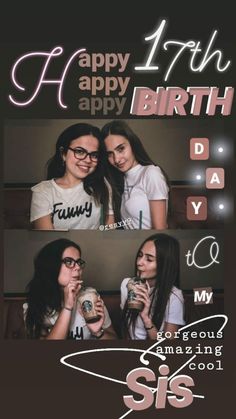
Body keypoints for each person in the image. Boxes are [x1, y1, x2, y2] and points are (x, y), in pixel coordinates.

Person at [24, 238, 117, 340]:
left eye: (79, 262)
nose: (78, 267)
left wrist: (98, 332)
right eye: (69, 261)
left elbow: (113, 338)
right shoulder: (35, 305)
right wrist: (67, 308)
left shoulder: (90, 297)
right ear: (51, 266)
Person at [30, 123, 114, 230]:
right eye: (79, 151)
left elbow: (110, 228)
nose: (88, 160)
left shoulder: (102, 184)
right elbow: (47, 237)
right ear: (63, 154)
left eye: (94, 155)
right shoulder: (42, 191)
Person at [101, 121, 169, 229]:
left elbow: (160, 229)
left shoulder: (151, 173)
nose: (117, 159)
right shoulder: (120, 180)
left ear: (132, 144)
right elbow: (121, 224)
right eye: (110, 154)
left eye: (121, 149)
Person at [120, 233, 185, 339]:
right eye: (140, 255)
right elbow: (126, 330)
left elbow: (168, 348)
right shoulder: (126, 284)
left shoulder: (174, 297)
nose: (139, 262)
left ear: (164, 264)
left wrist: (146, 319)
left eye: (149, 259)